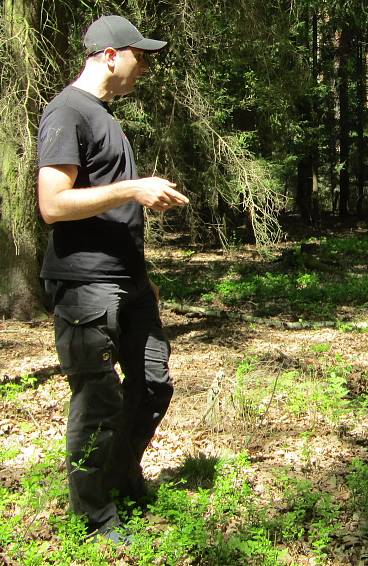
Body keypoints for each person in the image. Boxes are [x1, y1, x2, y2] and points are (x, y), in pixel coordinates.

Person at [37, 15, 189, 542]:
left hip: (128, 283)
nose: (144, 67)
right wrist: (133, 189)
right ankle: (94, 515)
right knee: (98, 401)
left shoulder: (103, 116)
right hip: (85, 287)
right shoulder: (67, 112)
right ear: (109, 55)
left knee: (152, 385)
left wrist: (143, 278)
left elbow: (109, 209)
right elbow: (53, 204)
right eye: (139, 56)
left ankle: (120, 475)